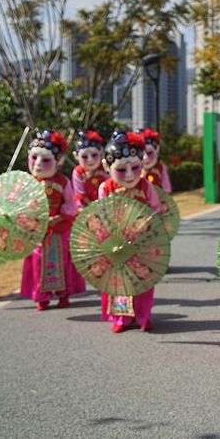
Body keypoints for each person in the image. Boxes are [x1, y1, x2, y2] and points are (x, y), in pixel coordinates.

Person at [98, 131, 164, 333]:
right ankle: (121, 317)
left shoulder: (147, 187)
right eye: (121, 169)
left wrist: (144, 225)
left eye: (135, 168)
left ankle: (143, 316)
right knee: (119, 280)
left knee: (143, 280)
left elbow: (156, 210)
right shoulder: (105, 188)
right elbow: (102, 214)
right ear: (107, 167)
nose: (129, 175)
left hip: (142, 243)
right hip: (116, 244)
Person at [20, 129, 86, 310]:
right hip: (37, 232)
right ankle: (42, 297)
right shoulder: (27, 182)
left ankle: (63, 295)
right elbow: (20, 206)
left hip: (59, 230)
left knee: (62, 262)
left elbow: (71, 205)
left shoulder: (63, 182)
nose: (39, 164)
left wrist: (58, 217)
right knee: (37, 263)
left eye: (46, 160)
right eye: (34, 158)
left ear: (59, 162)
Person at [71, 129, 106, 209]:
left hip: (105, 203)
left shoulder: (104, 168)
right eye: (84, 157)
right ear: (76, 156)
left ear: (100, 152)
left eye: (94, 155)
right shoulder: (78, 171)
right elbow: (80, 192)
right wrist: (92, 206)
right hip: (84, 205)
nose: (90, 160)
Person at [139, 128, 173, 193]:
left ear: (156, 150)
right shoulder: (136, 169)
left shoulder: (160, 168)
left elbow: (166, 186)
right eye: (141, 154)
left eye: (149, 153)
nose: (145, 158)